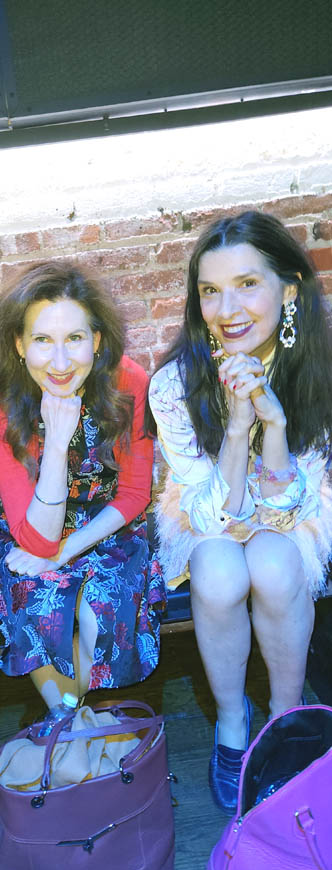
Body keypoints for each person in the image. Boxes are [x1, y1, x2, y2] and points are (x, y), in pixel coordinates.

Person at [148, 211, 332, 813]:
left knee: (276, 567)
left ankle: (286, 719)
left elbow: (286, 512)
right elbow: (208, 515)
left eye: (248, 284)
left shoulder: (319, 368)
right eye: (210, 290)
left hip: (293, 503)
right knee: (221, 574)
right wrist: (238, 426)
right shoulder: (175, 382)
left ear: (290, 288)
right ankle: (232, 721)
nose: (228, 308)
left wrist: (275, 426)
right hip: (209, 504)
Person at [0, 262, 166, 708]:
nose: (60, 364)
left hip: (110, 520)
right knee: (41, 606)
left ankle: (66, 724)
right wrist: (57, 444)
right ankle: (75, 728)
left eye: (75, 339)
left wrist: (67, 549)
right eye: (42, 340)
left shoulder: (128, 383)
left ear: (96, 342)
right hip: (32, 524)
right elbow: (39, 540)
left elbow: (136, 493)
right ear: (19, 345)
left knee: (101, 611)